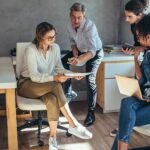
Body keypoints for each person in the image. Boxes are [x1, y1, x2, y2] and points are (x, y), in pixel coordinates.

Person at [17, 22, 92, 150]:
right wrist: (55, 78)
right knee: (55, 85)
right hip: (27, 84)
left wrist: (72, 74)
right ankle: (73, 124)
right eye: (49, 38)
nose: (53, 39)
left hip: (45, 85)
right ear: (40, 37)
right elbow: (34, 76)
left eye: (54, 36)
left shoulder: (55, 48)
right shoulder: (31, 49)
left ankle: (52, 139)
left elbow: (59, 68)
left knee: (52, 99)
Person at [110, 0, 149, 137]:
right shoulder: (134, 26)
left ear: (139, 14)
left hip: (146, 60)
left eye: (129, 16)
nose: (126, 20)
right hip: (141, 59)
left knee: (141, 93)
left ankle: (129, 124)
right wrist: (133, 51)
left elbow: (144, 44)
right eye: (125, 16)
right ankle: (126, 125)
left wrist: (139, 49)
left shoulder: (147, 25)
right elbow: (138, 44)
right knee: (134, 93)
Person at [62, 2, 104, 127]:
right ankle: (68, 92)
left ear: (83, 16)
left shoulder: (90, 27)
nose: (76, 20)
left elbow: (92, 51)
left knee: (90, 80)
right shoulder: (69, 24)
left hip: (94, 53)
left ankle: (91, 113)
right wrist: (74, 51)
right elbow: (72, 41)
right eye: (73, 17)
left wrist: (79, 60)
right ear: (70, 15)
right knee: (62, 63)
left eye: (79, 17)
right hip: (80, 50)